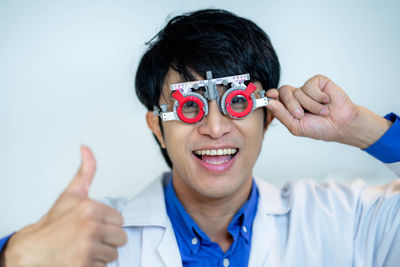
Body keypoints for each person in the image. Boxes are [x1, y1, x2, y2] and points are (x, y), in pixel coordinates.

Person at [1, 9, 399, 267]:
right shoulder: (90, 242)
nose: (214, 127)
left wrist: (359, 129)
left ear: (268, 117)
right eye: (189, 107)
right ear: (157, 127)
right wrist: (14, 258)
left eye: (236, 103)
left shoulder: (346, 220)